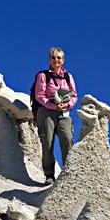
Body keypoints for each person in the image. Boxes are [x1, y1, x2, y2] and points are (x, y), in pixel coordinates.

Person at [35, 47, 78, 185]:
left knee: (67, 139)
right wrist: (54, 106)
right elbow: (39, 96)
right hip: (47, 111)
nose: (56, 60)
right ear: (49, 60)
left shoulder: (68, 76)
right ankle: (49, 175)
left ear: (63, 60)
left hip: (64, 112)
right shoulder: (43, 75)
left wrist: (68, 105)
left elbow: (74, 95)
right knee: (47, 142)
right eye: (53, 57)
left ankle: (68, 173)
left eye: (59, 57)